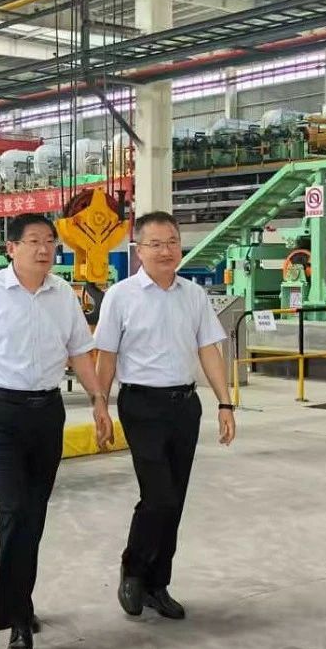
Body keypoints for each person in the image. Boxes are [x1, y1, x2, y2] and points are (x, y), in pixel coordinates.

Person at [0, 213, 112, 649]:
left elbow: (80, 353)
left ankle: (21, 597)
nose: (44, 248)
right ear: (12, 248)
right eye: (34, 240)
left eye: (50, 241)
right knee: (16, 509)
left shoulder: (64, 295)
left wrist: (98, 400)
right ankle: (18, 621)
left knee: (28, 516)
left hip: (46, 414)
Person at [93, 211, 237, 620]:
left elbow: (209, 349)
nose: (165, 251)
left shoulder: (193, 295)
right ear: (138, 250)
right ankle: (133, 569)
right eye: (155, 244)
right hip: (141, 405)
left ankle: (158, 585)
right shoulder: (121, 296)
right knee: (159, 496)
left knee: (175, 499)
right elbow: (106, 355)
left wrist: (225, 403)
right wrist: (100, 404)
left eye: (172, 242)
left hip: (184, 405)